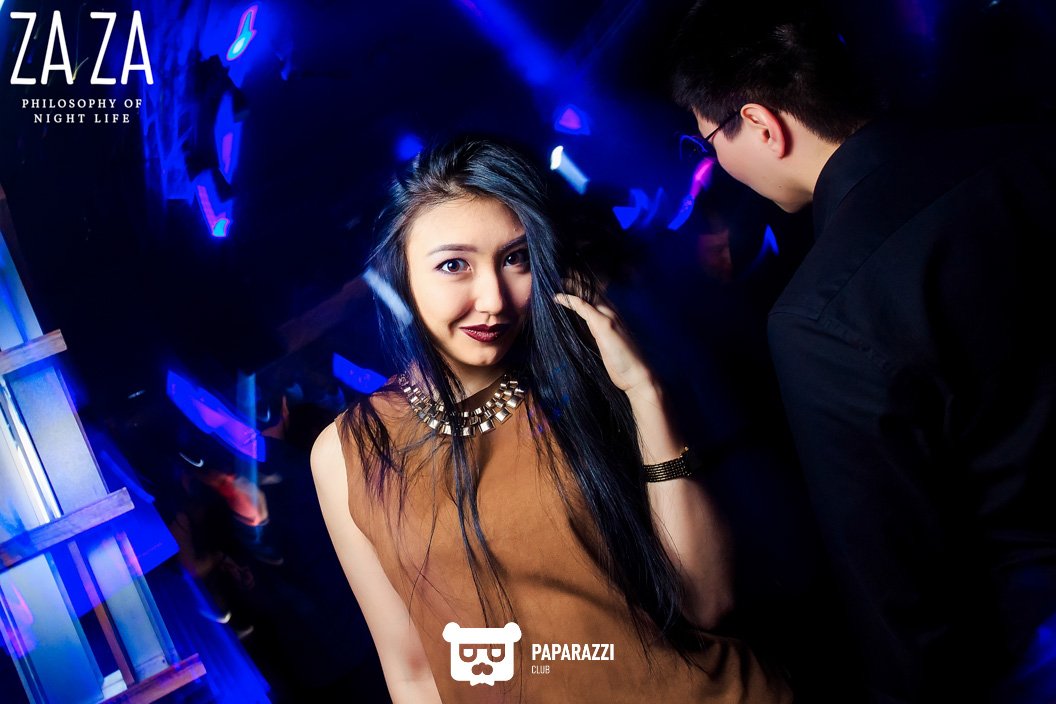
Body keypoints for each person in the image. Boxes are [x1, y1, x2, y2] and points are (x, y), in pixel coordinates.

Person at [310, 137, 790, 703]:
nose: (493, 299)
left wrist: (645, 392)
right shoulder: (349, 452)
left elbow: (707, 601)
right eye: (454, 265)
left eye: (515, 258)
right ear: (400, 277)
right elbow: (413, 671)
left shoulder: (580, 375)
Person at [670, 2, 1056, 703]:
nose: (718, 164)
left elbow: (898, 586)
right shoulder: (1031, 149)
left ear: (761, 125)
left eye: (710, 142)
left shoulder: (820, 315)